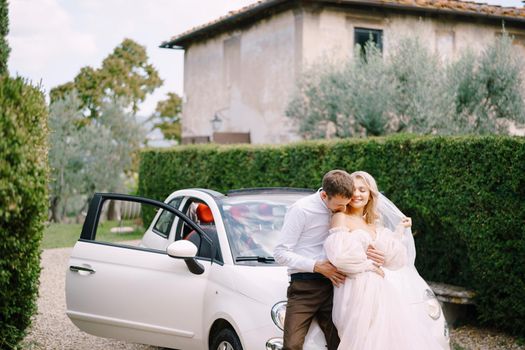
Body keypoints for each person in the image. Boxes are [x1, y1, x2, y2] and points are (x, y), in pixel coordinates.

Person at [324, 171, 444, 350]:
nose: (357, 194)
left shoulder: (373, 224)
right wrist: (370, 265)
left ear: (371, 194)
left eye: (363, 190)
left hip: (382, 291)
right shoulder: (341, 217)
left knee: (389, 340)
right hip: (355, 290)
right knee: (360, 341)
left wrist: (399, 232)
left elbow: (396, 260)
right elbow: (340, 256)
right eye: (353, 189)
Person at [274, 169, 386, 350]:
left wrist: (372, 256)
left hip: (337, 286)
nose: (342, 210)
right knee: (292, 345)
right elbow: (280, 253)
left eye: (346, 204)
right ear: (325, 195)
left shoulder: (344, 208)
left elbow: (352, 244)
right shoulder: (301, 209)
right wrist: (316, 266)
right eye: (339, 206)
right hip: (305, 287)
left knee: (344, 342)